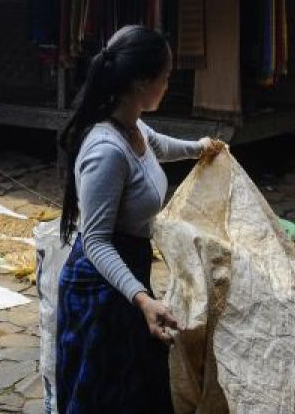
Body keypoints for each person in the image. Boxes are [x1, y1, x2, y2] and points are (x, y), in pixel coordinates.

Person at [55, 25, 225, 413]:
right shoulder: (106, 150)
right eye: (165, 78)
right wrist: (143, 299)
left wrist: (200, 148)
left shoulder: (132, 125)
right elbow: (96, 241)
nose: (168, 85)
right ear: (140, 82)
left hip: (129, 276)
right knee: (106, 392)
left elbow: (158, 145)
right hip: (99, 288)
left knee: (140, 384)